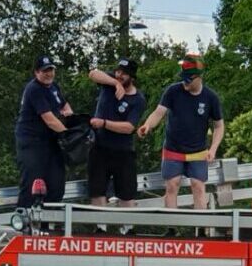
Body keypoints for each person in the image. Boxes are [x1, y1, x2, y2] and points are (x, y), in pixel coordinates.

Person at [140, 54, 223, 209]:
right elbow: (159, 112)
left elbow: (219, 126)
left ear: (198, 77)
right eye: (183, 78)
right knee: (172, 184)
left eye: (188, 79)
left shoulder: (210, 98)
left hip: (198, 150)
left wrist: (213, 148)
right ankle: (172, 227)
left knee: (198, 186)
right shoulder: (173, 91)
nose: (185, 82)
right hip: (173, 148)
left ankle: (201, 229)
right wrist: (148, 125)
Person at [83, 60, 147, 205]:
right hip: (99, 147)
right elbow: (93, 73)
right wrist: (115, 83)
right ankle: (100, 227)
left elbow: (129, 127)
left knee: (126, 194)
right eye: (118, 71)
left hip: (123, 151)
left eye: (124, 74)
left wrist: (104, 123)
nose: (119, 75)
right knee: (97, 191)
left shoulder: (138, 100)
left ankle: (128, 227)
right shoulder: (110, 82)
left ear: (132, 77)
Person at [14, 56, 73, 209]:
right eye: (44, 71)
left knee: (56, 184)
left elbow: (65, 106)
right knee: (32, 182)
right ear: (36, 72)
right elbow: (49, 120)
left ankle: (49, 223)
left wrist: (70, 116)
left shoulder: (54, 87)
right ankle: (23, 221)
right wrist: (70, 135)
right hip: (32, 142)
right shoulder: (34, 89)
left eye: (51, 70)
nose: (49, 74)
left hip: (51, 141)